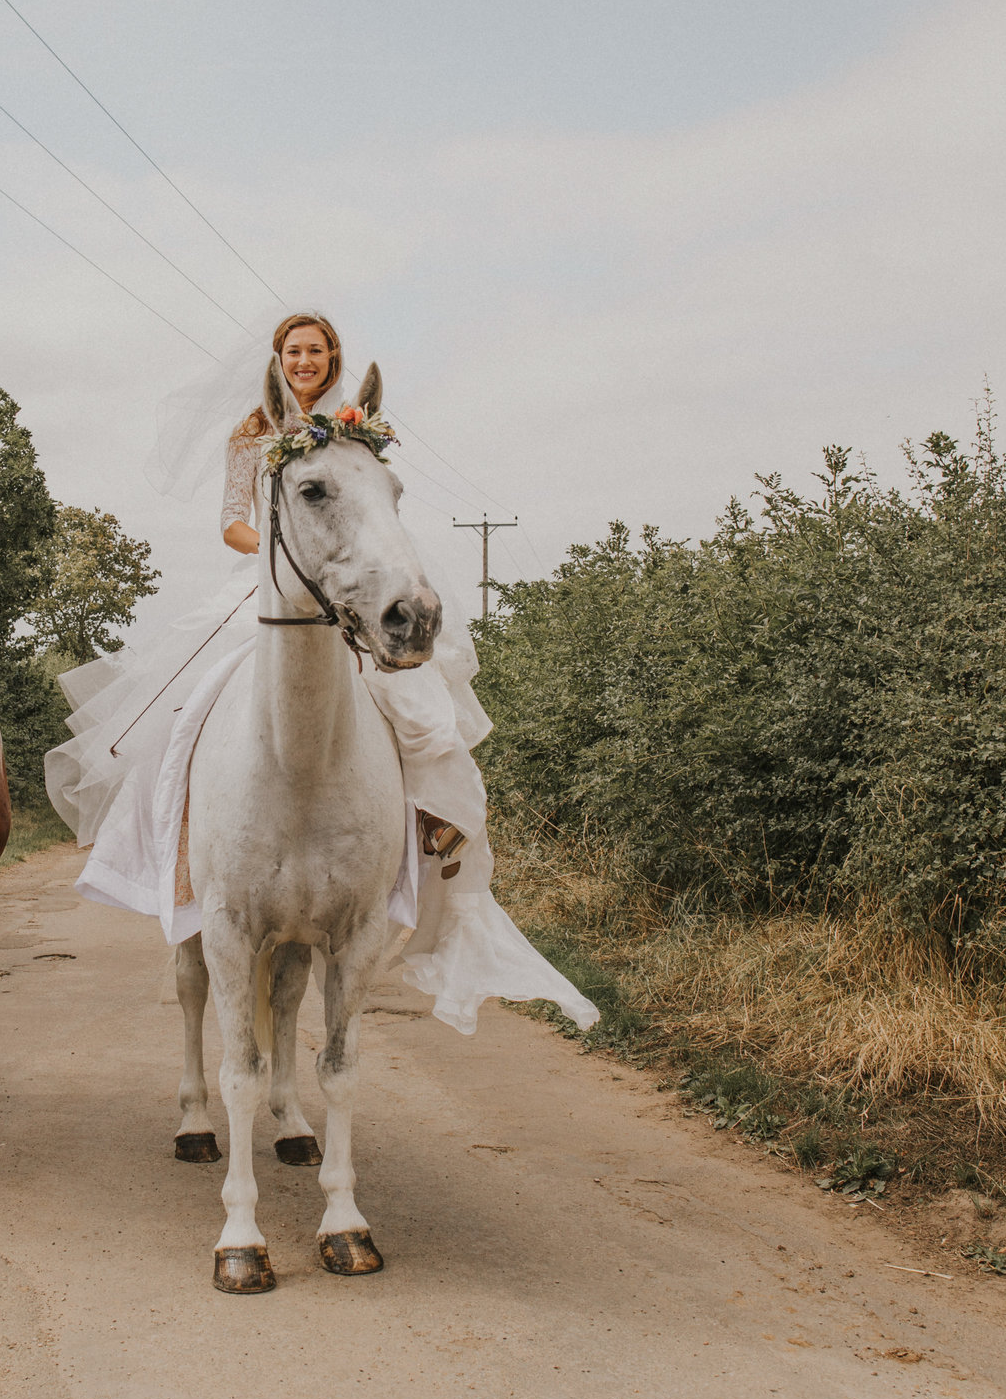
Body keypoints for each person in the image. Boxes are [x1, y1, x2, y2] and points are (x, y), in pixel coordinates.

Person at [44, 312, 595, 1034]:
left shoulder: (352, 426)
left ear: (332, 358)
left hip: (347, 571)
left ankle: (430, 818)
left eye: (316, 350)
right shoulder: (255, 431)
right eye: (293, 351)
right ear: (279, 360)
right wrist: (282, 549)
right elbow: (232, 520)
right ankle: (181, 838)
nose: (305, 360)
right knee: (186, 700)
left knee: (414, 693)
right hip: (274, 573)